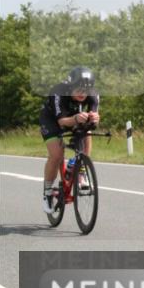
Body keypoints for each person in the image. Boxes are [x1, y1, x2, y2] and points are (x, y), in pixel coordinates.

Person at [39, 66, 100, 214]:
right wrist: (75, 118)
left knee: (88, 130)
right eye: (78, 88)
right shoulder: (58, 92)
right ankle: (47, 192)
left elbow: (94, 120)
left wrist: (95, 119)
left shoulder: (94, 94)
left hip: (74, 117)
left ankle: (81, 169)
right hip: (52, 119)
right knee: (57, 155)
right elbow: (61, 122)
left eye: (86, 89)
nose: (82, 93)